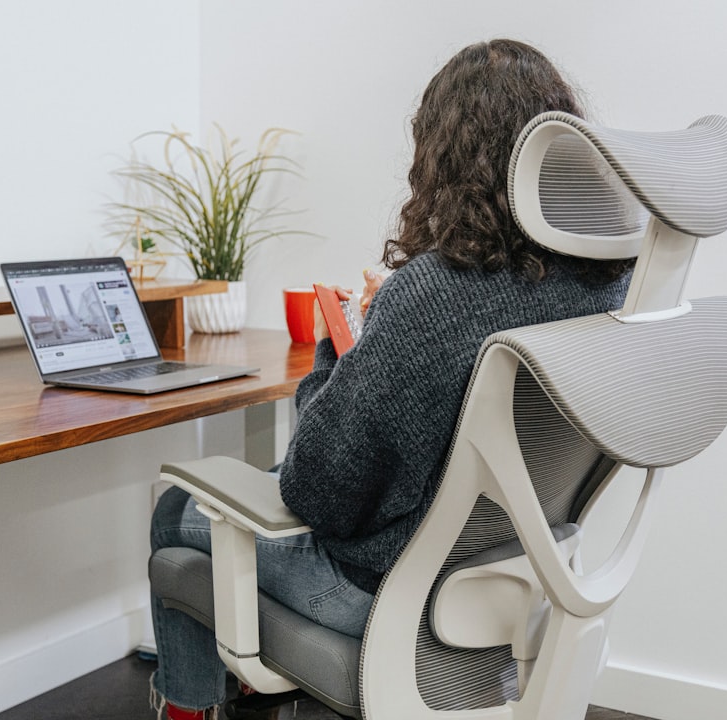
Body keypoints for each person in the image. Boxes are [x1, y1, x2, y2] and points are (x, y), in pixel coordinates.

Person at [149, 38, 634, 720]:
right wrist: (388, 332)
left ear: (444, 159)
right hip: (520, 578)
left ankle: (191, 708)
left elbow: (317, 491)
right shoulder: (607, 284)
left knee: (174, 512)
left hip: (385, 594)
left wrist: (342, 341)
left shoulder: (436, 293)